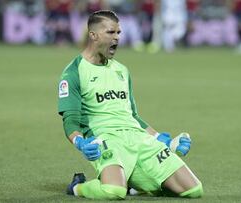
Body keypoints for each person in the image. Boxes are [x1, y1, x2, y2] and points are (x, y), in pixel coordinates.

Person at [57, 10, 203, 200]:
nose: (117, 38)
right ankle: (78, 187)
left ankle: (135, 184)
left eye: (118, 33)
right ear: (93, 35)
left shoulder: (122, 71)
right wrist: (81, 142)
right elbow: (70, 121)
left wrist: (164, 140)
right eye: (111, 32)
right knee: (114, 192)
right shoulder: (73, 73)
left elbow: (133, 116)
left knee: (193, 190)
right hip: (107, 140)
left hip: (138, 139)